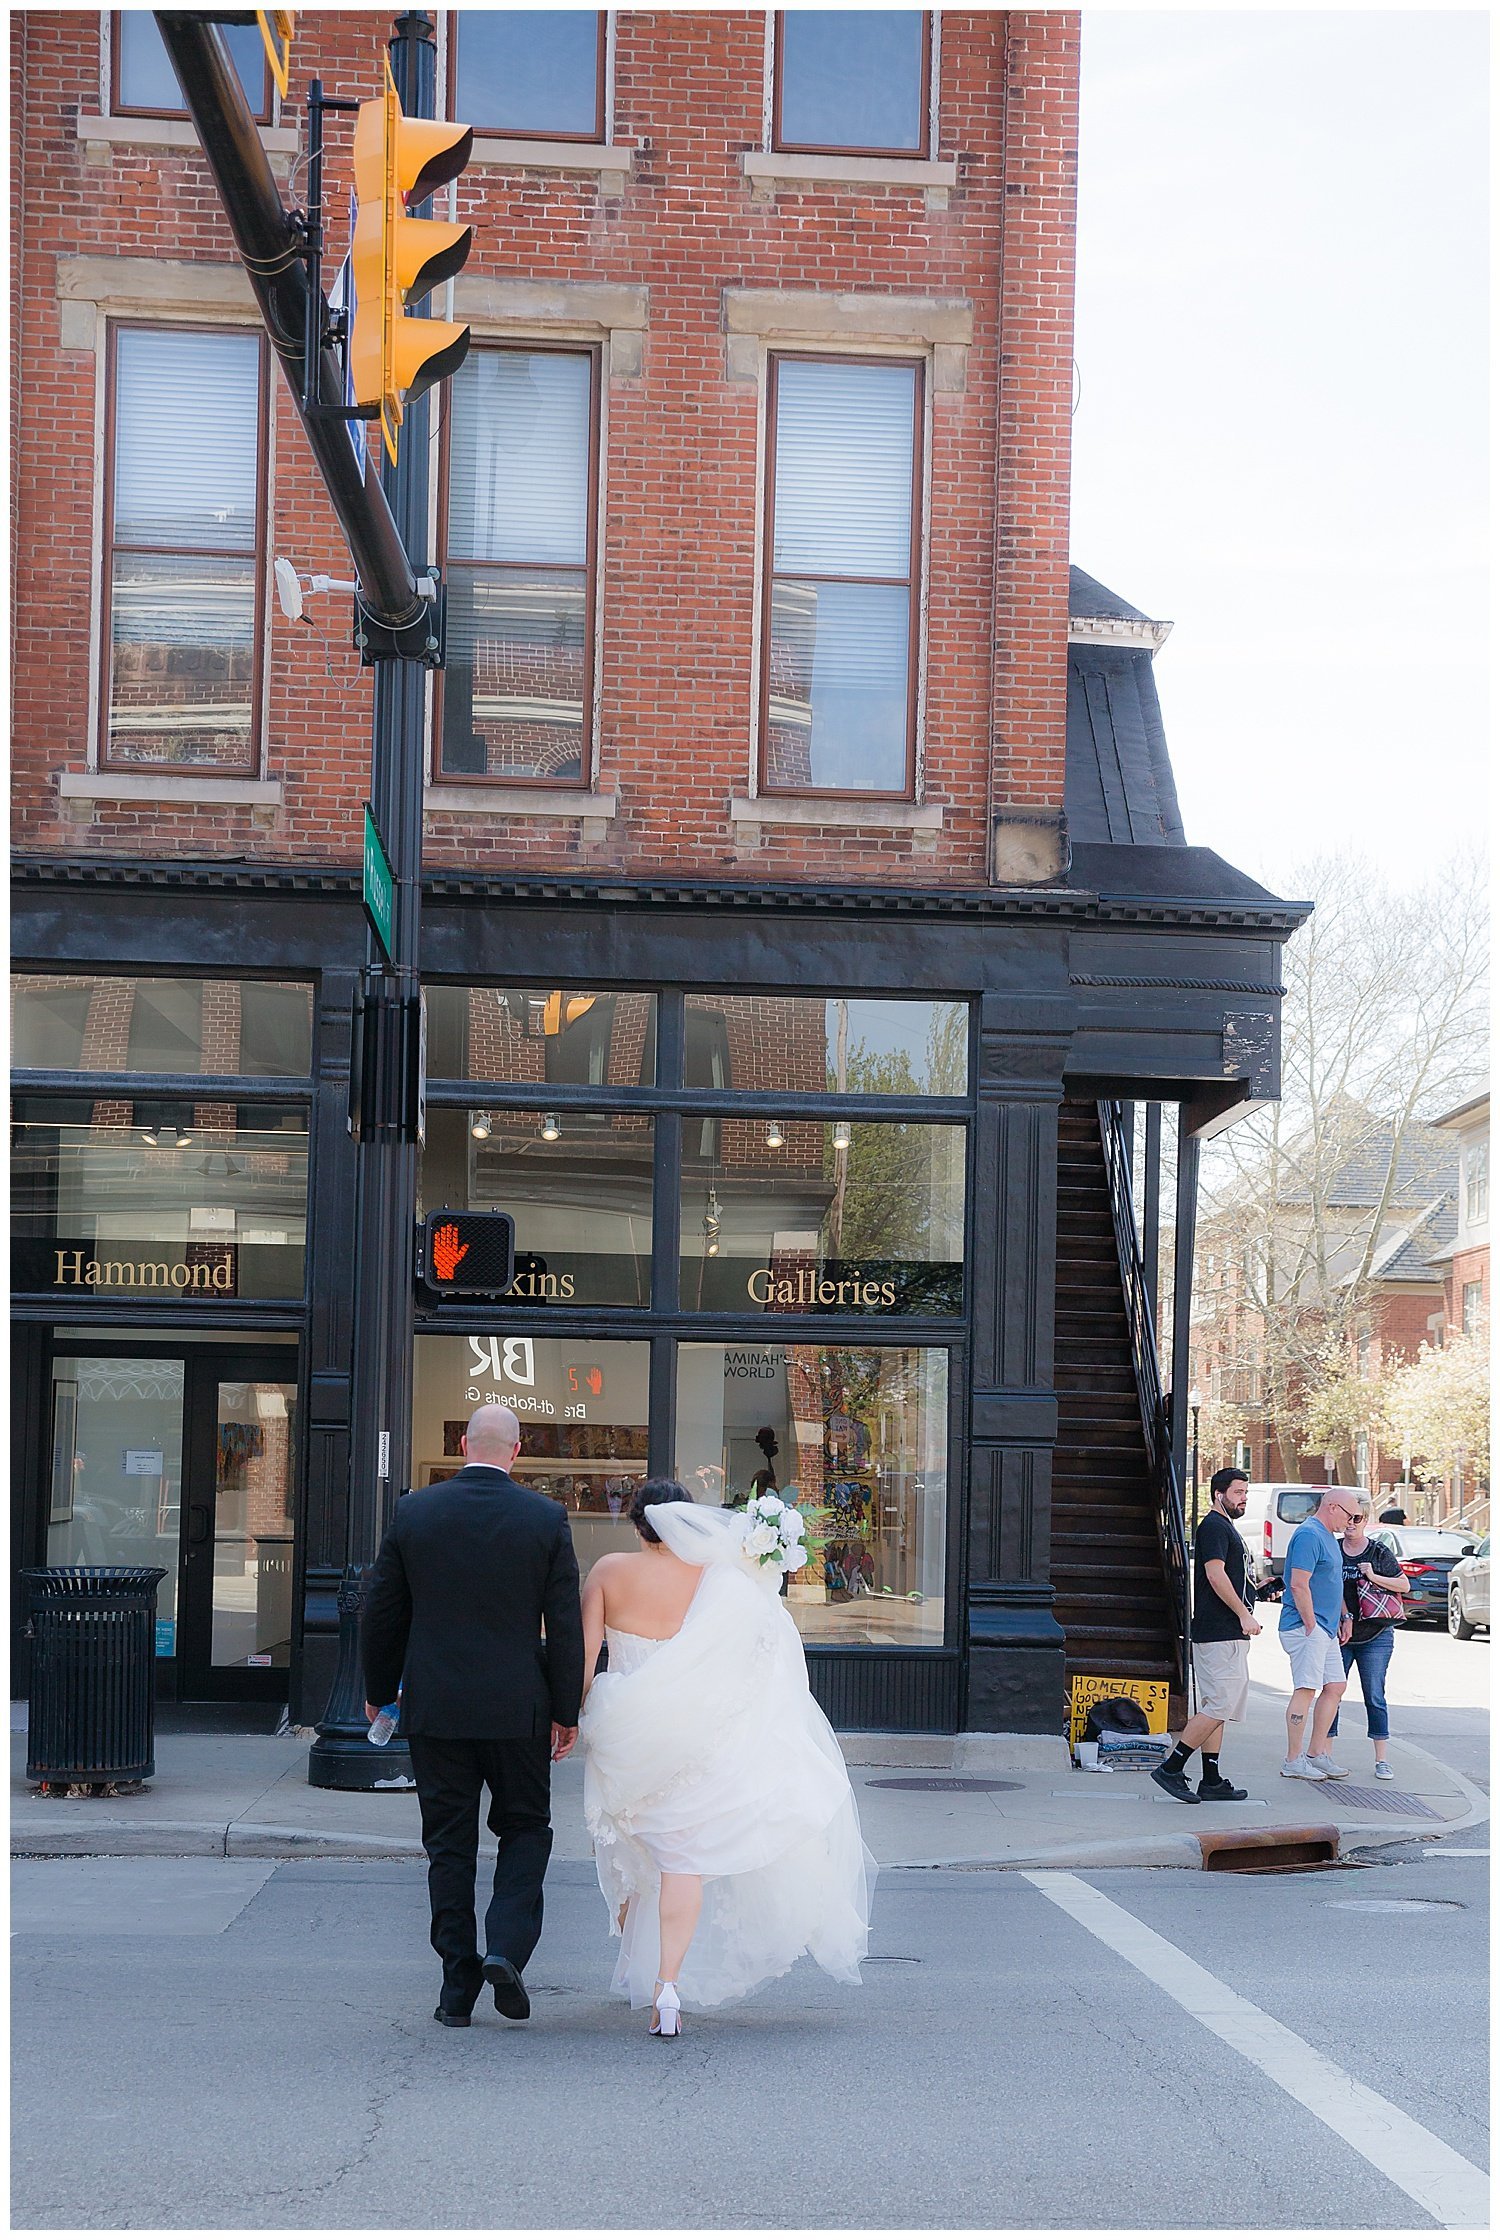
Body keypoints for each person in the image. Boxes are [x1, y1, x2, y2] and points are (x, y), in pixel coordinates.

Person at [579, 1480, 874, 2036]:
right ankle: (665, 1986)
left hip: (626, 1730)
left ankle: (629, 1965)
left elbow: (584, 1658)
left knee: (628, 1850)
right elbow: (758, 1655)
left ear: (636, 1522)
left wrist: (570, 1719)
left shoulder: (607, 1572)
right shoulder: (717, 1577)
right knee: (681, 1858)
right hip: (694, 1733)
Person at [362, 1403, 584, 2028]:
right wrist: (567, 1711)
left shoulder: (414, 1513)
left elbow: (384, 1612)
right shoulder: (544, 1518)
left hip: (437, 1708)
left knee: (449, 1848)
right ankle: (507, 1948)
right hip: (518, 1708)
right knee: (525, 1829)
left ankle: (455, 1989)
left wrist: (380, 1690)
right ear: (517, 1451)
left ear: (464, 1444)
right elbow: (564, 1627)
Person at [1151, 1466, 1261, 1804]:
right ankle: (1172, 1767)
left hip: (1227, 1632)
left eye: (1245, 1493)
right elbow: (1214, 1574)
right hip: (1219, 1632)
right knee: (1218, 1706)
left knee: (1220, 1707)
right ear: (1219, 1494)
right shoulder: (1214, 1526)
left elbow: (1230, 1577)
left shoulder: (1224, 1528)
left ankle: (1211, 1779)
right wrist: (1243, 1614)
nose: (1244, 1499)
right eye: (1238, 1492)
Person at [1278, 1487, 1360, 1780]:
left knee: (1335, 1685)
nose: (1352, 1523)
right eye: (1351, 1516)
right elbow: (1299, 1584)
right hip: (1306, 1627)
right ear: (1333, 1507)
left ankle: (1315, 1754)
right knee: (1306, 1688)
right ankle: (1293, 1760)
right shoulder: (1310, 1535)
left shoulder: (1327, 1536)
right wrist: (1311, 1624)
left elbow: (1331, 1582)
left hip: (1323, 1627)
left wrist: (1343, 1616)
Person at [1331, 1493, 1411, 1779]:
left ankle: (1381, 1759)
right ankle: (1324, 1754)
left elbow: (1404, 1585)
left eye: (1358, 1519)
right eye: (1348, 1518)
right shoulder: (1333, 1548)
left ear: (1366, 1521)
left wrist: (1373, 1575)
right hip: (1339, 1633)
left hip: (1376, 1634)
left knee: (1374, 1695)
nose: (1351, 1524)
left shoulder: (1377, 1552)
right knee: (1332, 1694)